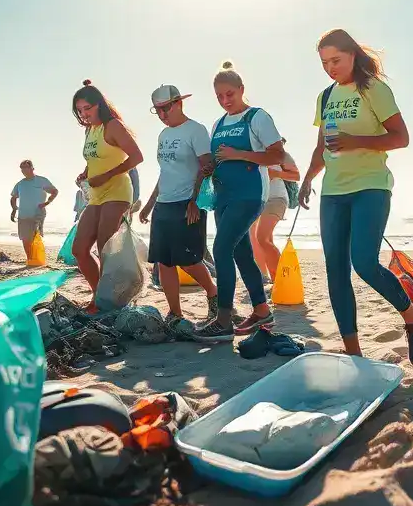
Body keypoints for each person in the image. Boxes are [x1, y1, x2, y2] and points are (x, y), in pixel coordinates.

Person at [298, 29, 413, 365]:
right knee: (336, 270)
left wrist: (354, 140)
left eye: (336, 60)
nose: (330, 68)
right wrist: (308, 179)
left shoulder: (373, 88)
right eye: (324, 63)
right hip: (333, 192)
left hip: (371, 186)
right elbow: (322, 146)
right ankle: (354, 353)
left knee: (365, 263)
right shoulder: (325, 97)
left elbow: (401, 138)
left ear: (353, 55)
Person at [192, 62, 285, 342]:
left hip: (249, 195)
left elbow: (277, 155)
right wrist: (210, 168)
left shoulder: (257, 117)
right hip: (223, 196)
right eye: (219, 96)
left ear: (242, 90)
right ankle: (261, 310)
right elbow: (218, 158)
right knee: (241, 253)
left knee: (220, 249)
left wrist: (239, 154)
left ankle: (223, 319)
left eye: (229, 94)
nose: (224, 100)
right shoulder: (218, 124)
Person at [138, 84, 219, 326]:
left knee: (189, 259)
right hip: (164, 203)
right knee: (164, 261)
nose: (162, 115)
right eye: (157, 110)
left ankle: (213, 294)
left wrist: (195, 200)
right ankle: (175, 312)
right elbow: (165, 172)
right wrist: (150, 204)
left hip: (187, 203)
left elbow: (207, 167)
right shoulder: (163, 136)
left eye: (165, 109)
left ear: (178, 103)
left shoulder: (196, 130)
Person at [70, 80, 144, 311]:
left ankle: (103, 302)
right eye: (80, 110)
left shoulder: (113, 126)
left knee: (105, 248)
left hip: (118, 191)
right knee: (79, 250)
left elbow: (136, 157)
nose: (84, 114)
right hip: (96, 194)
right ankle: (99, 295)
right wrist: (85, 173)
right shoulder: (89, 130)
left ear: (99, 105)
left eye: (87, 109)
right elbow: (96, 160)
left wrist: (107, 176)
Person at [250, 142, 300, 282]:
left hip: (276, 198)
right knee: (255, 238)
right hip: (255, 200)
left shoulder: (281, 154)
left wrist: (275, 173)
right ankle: (264, 277)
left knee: (262, 237)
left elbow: (296, 175)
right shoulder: (249, 153)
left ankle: (281, 280)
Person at [11, 160, 58, 259]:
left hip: (38, 214)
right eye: (22, 168)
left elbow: (54, 191)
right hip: (23, 215)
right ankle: (30, 259)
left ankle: (37, 258)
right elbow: (13, 197)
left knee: (35, 236)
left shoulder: (41, 180)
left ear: (32, 168)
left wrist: (47, 202)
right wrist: (14, 210)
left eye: (26, 167)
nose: (24, 170)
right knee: (25, 238)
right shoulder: (20, 184)